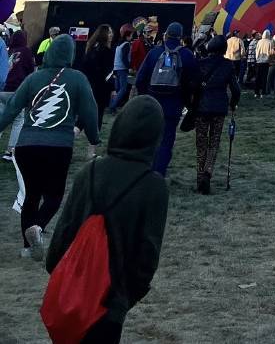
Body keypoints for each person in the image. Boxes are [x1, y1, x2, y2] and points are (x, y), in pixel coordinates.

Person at [44, 96, 168, 344]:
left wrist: (62, 274)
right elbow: (147, 256)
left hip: (70, 292)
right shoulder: (153, 186)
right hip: (110, 303)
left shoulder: (89, 172)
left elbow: (63, 233)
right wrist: (124, 297)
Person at [0, 33, 100, 259]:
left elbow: (13, 107)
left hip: (27, 146)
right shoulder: (77, 79)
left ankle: (27, 248)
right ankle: (38, 225)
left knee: (31, 196)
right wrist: (94, 138)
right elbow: (90, 111)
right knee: (53, 196)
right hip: (58, 146)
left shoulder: (33, 78)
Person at [135, 22, 198, 177]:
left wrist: (147, 96)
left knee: (151, 138)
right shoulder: (187, 55)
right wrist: (187, 101)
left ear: (166, 34)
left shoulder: (154, 53)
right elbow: (195, 82)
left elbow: (139, 80)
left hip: (153, 104)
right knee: (166, 141)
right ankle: (157, 174)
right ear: (181, 37)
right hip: (173, 105)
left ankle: (144, 170)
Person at [189, 33, 240, 195]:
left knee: (201, 143)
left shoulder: (200, 64)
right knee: (214, 142)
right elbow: (236, 89)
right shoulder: (228, 65)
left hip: (202, 108)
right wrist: (233, 104)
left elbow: (193, 85)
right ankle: (208, 171)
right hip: (219, 108)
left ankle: (199, 178)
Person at [82, 24, 116, 126]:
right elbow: (108, 72)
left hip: (89, 84)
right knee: (98, 112)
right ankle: (93, 139)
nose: (111, 35)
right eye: (109, 32)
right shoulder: (106, 51)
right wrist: (112, 88)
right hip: (101, 86)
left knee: (88, 111)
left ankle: (79, 129)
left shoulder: (91, 48)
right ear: (103, 34)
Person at [107, 25, 134, 115]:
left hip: (116, 68)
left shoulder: (118, 44)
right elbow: (124, 58)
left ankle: (112, 106)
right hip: (122, 69)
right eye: (131, 35)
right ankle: (112, 107)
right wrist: (129, 67)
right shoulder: (126, 44)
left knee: (117, 89)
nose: (132, 37)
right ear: (127, 35)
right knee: (123, 89)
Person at [253, 29, 273, 97]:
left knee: (258, 78)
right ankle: (263, 93)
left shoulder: (259, 42)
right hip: (266, 62)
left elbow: (257, 51)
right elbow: (271, 53)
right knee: (265, 78)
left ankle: (256, 92)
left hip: (259, 62)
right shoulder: (270, 42)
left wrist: (257, 59)